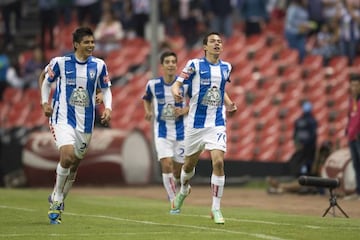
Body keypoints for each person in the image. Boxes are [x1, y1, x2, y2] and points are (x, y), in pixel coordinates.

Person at [40, 27, 112, 224]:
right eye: (87, 42)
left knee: (74, 164)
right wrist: (45, 103)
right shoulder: (60, 63)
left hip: (85, 123)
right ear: (76, 44)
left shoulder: (99, 65)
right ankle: (57, 199)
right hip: (62, 118)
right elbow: (46, 82)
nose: (91, 45)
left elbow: (106, 89)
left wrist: (108, 108)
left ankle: (59, 195)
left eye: (92, 42)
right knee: (68, 154)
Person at [171, 32, 237, 224]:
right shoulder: (194, 65)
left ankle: (216, 208)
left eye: (219, 41)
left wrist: (230, 103)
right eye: (213, 41)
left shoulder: (227, 67)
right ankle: (184, 189)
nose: (217, 44)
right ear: (205, 47)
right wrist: (176, 92)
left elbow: (221, 89)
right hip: (195, 124)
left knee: (218, 163)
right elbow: (178, 84)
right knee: (188, 167)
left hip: (216, 123)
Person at [142, 51, 189, 213]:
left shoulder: (184, 85)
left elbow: (196, 103)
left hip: (182, 133)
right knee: (166, 164)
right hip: (162, 132)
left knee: (178, 170)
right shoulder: (153, 85)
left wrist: (185, 111)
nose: (170, 64)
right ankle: (173, 202)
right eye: (167, 62)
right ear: (162, 66)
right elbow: (146, 98)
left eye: (173, 62)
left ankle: (179, 187)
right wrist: (148, 111)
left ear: (176, 65)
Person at [344, 73, 360, 199]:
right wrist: (347, 131)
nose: (354, 87)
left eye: (356, 85)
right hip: (352, 138)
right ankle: (358, 192)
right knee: (356, 165)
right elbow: (350, 117)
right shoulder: (351, 100)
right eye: (352, 85)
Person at [293, 101, 318, 176]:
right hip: (309, 146)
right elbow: (313, 135)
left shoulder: (298, 120)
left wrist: (297, 144)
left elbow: (295, 134)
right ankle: (306, 175)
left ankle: (302, 174)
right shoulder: (312, 121)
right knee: (308, 161)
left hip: (302, 145)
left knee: (302, 160)